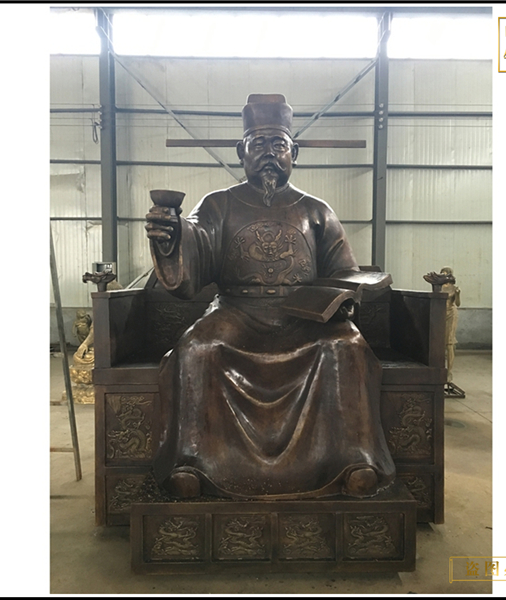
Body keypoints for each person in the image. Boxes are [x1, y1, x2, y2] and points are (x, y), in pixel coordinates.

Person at [145, 94, 395, 500]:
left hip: (303, 315)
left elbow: (344, 272)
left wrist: (343, 298)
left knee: (347, 346)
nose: (268, 154)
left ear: (294, 153)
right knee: (197, 347)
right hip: (236, 311)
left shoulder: (316, 211)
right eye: (258, 144)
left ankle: (353, 459)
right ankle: (193, 462)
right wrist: (171, 235)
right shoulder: (218, 205)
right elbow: (196, 243)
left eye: (278, 145)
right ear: (240, 151)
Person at [440, 266, 461, 383]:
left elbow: (458, 303)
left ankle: (449, 371)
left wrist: (457, 294)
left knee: (450, 343)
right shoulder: (439, 287)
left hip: (451, 314)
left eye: (446, 275)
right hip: (441, 314)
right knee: (440, 343)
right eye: (442, 275)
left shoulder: (454, 288)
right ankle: (441, 369)